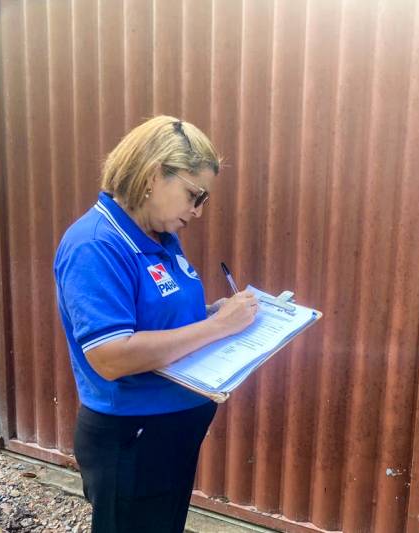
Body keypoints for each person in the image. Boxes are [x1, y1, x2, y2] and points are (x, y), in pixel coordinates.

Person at [54, 116, 258, 532]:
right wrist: (218, 327)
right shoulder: (97, 244)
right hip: (134, 436)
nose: (197, 211)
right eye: (193, 195)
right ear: (152, 175)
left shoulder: (159, 236)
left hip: (171, 428)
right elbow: (111, 356)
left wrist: (212, 313)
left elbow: (157, 319)